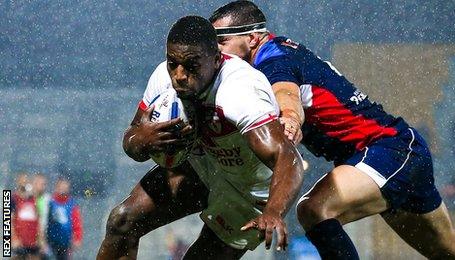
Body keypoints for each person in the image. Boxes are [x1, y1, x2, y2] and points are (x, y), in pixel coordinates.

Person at [209, 1, 455, 259]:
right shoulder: (272, 54)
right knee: (449, 249)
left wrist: (289, 120)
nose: (218, 53)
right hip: (397, 151)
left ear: (253, 38)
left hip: (385, 150)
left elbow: (286, 95)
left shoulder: (272, 58)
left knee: (314, 210)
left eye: (222, 43)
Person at [97, 15, 304, 259]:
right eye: (172, 63)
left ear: (216, 60)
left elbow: (288, 158)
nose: (180, 75)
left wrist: (274, 210)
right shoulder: (163, 78)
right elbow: (132, 142)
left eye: (191, 65)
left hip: (248, 189)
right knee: (122, 221)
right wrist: (141, 140)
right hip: (203, 166)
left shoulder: (239, 90)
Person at [46, 177, 82, 260]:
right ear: (56, 187)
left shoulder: (72, 204)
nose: (63, 189)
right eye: (61, 186)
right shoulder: (50, 202)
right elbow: (44, 221)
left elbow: (77, 223)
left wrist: (77, 238)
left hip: (66, 243)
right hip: (51, 241)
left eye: (65, 187)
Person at [11, 173, 40, 260]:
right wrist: (13, 239)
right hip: (17, 242)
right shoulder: (11, 198)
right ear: (17, 182)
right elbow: (7, 222)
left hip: (32, 242)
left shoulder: (34, 199)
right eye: (22, 181)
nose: (24, 183)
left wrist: (39, 239)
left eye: (26, 181)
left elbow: (38, 220)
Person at [32, 173, 52, 259]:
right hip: (28, 238)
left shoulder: (48, 199)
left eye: (44, 184)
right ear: (34, 183)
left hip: (43, 238)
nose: (41, 186)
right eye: (39, 183)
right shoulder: (26, 198)